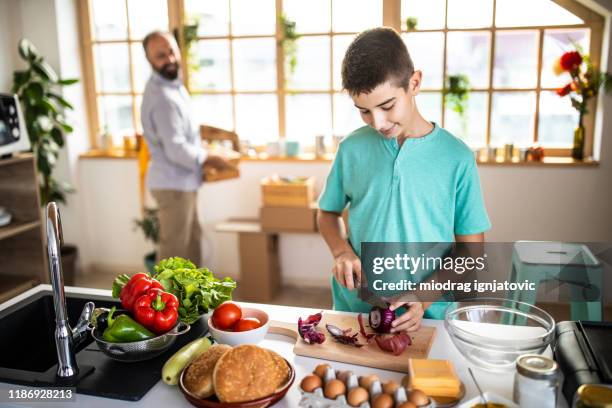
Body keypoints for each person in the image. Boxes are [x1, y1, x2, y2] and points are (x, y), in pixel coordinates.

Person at [317, 27, 491, 333]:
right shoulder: (352, 148)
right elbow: (327, 213)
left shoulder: (457, 158)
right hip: (356, 309)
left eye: (386, 107)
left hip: (428, 315)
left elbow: (472, 251)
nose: (378, 122)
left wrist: (423, 298)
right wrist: (341, 251)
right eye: (364, 112)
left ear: (414, 83)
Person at [140, 31, 230, 265]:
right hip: (173, 187)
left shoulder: (173, 86)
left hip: (181, 183)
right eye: (160, 55)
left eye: (171, 51)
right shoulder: (163, 98)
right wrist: (209, 158)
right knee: (174, 257)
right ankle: (164, 303)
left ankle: (189, 302)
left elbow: (182, 135)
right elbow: (176, 149)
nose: (169, 59)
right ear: (150, 61)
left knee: (190, 251)